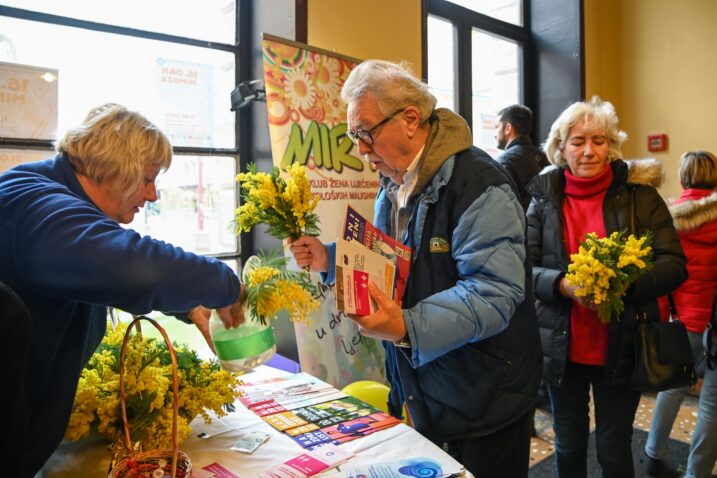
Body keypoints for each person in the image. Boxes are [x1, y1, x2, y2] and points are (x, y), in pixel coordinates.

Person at [289, 60, 542, 477]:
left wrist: (406, 326)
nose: (360, 149)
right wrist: (329, 258)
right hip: (424, 386)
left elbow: (494, 292)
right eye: (354, 136)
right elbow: (394, 261)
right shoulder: (392, 184)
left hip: (484, 395)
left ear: (410, 120)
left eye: (366, 132)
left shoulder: (480, 184)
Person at [0, 103, 246, 476]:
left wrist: (188, 307)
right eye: (148, 178)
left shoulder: (48, 196)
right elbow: (132, 267)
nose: (153, 195)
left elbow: (99, 276)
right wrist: (225, 284)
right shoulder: (36, 205)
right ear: (117, 169)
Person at [526, 96, 687, 478]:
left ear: (611, 146)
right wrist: (562, 284)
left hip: (623, 344)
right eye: (578, 141)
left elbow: (675, 265)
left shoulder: (640, 198)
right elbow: (521, 268)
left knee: (614, 449)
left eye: (599, 140)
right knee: (569, 445)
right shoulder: (542, 201)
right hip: (561, 347)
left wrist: (619, 286)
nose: (589, 151)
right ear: (561, 148)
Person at [643, 150, 717, 478]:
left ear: (684, 177)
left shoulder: (668, 219)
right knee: (712, 405)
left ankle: (653, 452)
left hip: (683, 319)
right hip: (715, 323)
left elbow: (662, 276)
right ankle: (697, 473)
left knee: (672, 387)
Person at [495, 104, 550, 212]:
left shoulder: (504, 161)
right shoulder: (546, 158)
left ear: (508, 128)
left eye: (497, 127)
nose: (495, 134)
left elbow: (500, 207)